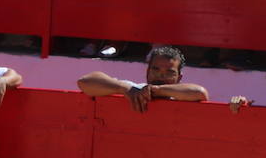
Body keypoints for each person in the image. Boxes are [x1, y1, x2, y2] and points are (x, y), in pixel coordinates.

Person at [77, 46, 210, 113]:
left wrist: (157, 90)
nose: (160, 76)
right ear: (147, 71)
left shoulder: (181, 95)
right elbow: (84, 81)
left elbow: (200, 92)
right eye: (155, 69)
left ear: (179, 78)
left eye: (169, 72)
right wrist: (123, 88)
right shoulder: (134, 89)